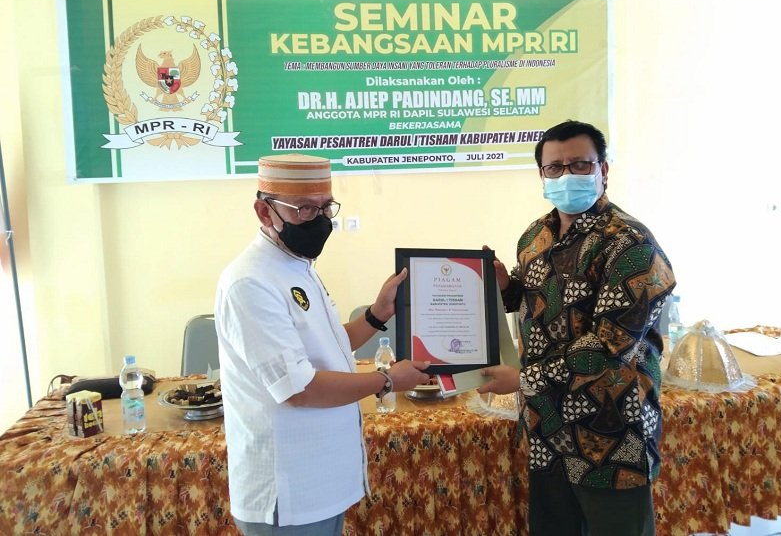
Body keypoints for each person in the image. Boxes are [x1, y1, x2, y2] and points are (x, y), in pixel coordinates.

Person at [215, 154, 431, 536]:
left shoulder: (297, 264)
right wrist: (386, 381)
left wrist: (376, 315)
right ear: (264, 212)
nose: (319, 220)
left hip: (320, 482)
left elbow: (328, 346)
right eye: (304, 209)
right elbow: (299, 388)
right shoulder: (250, 282)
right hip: (288, 492)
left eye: (325, 207)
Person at [479, 120, 676, 536]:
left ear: (603, 169)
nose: (567, 174)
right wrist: (503, 287)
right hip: (547, 428)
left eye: (580, 164)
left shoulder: (631, 244)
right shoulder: (535, 236)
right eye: (555, 167)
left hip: (611, 434)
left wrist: (523, 379)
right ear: (542, 175)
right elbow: (537, 304)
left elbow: (608, 347)